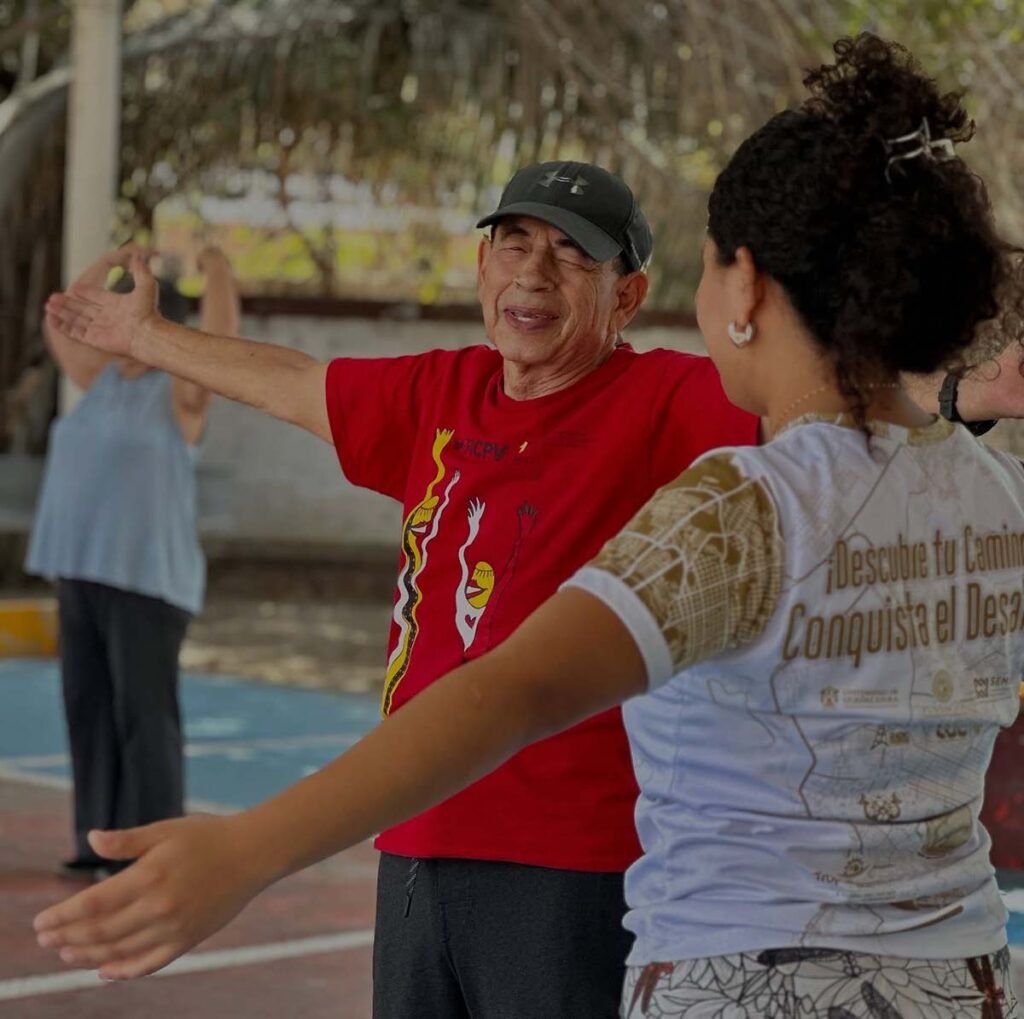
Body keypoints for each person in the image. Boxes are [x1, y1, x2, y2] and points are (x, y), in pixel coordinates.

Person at [36, 127, 1021, 1017]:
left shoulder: (668, 399)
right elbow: (295, 384)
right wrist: (147, 337)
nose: (533, 269)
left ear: (628, 294)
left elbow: (831, 406)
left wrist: (962, 391)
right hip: (412, 832)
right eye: (512, 240)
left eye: (570, 252)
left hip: (567, 862)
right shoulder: (439, 389)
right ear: (480, 263)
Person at [25, 244, 240, 881]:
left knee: (143, 722)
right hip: (80, 572)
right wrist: (112, 259)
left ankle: (149, 851)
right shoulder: (97, 383)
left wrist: (219, 271)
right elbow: (60, 316)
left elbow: (222, 344)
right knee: (88, 711)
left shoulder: (181, 397)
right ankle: (98, 840)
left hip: (147, 582)